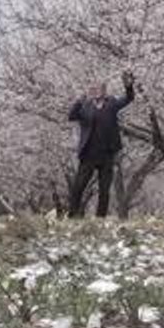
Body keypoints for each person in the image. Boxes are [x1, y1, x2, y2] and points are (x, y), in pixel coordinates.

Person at [67, 71, 136, 218]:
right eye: (93, 89)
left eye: (99, 89)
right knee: (79, 186)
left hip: (107, 153)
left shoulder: (112, 104)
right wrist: (79, 101)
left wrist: (128, 86)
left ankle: (101, 218)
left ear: (105, 91)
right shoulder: (84, 106)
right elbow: (71, 116)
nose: (96, 91)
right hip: (89, 154)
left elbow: (129, 98)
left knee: (104, 189)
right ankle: (73, 215)